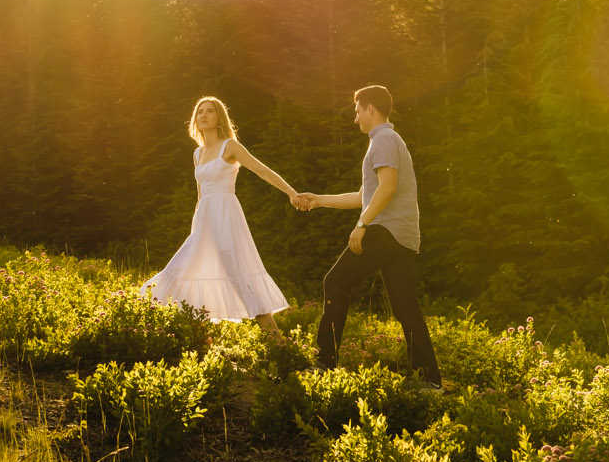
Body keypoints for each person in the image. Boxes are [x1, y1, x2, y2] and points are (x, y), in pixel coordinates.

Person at [292, 85, 442, 388]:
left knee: (334, 282)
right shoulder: (386, 140)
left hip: (385, 231)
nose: (355, 118)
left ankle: (324, 363)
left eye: (358, 111)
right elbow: (365, 195)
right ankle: (430, 382)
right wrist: (319, 199)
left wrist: (362, 225)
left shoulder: (383, 140)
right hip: (402, 235)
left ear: (371, 108)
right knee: (405, 307)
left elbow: (387, 187)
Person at [143, 95, 299, 338]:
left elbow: (262, 171)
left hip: (226, 220)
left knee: (240, 276)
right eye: (200, 111)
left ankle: (279, 345)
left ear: (219, 118)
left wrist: (291, 192)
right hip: (204, 224)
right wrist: (196, 229)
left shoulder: (230, 147)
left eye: (209, 111)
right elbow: (200, 195)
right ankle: (192, 340)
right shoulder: (197, 154)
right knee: (186, 269)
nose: (203, 115)